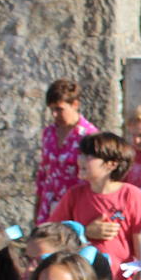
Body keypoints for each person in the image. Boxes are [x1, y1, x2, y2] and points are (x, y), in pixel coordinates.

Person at [51, 132, 141, 280]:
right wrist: (85, 231)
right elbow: (51, 237)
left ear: (111, 164)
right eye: (81, 154)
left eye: (89, 156)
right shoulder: (74, 195)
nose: (80, 160)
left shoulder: (131, 195)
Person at [35, 79, 99, 224]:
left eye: (59, 109)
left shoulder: (88, 135)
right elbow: (43, 172)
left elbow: (94, 175)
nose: (54, 115)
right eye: (52, 110)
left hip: (75, 205)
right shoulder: (49, 133)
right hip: (49, 204)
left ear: (75, 104)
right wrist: (38, 207)